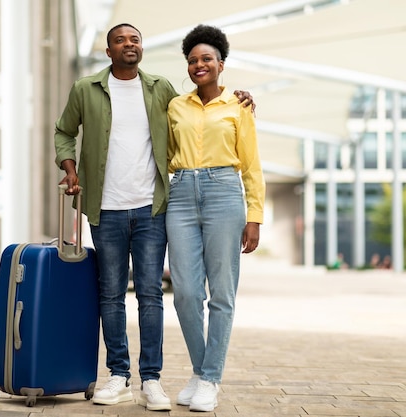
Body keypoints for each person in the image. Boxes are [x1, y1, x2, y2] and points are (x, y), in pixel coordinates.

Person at [53, 23, 253, 411]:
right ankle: (118, 376)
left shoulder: (161, 89)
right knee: (110, 295)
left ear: (141, 48)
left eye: (135, 39)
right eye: (119, 40)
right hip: (104, 209)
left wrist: (238, 96)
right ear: (108, 51)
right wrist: (71, 168)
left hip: (152, 209)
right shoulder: (85, 90)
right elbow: (64, 132)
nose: (128, 44)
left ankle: (152, 380)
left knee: (150, 295)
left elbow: (200, 114)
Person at [165, 24, 265, 412]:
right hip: (181, 194)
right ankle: (200, 369)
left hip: (225, 192)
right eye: (192, 60)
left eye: (206, 58)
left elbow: (252, 165)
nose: (199, 64)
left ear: (221, 64)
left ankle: (209, 379)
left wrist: (254, 215)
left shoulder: (239, 107)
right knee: (187, 292)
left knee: (221, 293)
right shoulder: (176, 106)